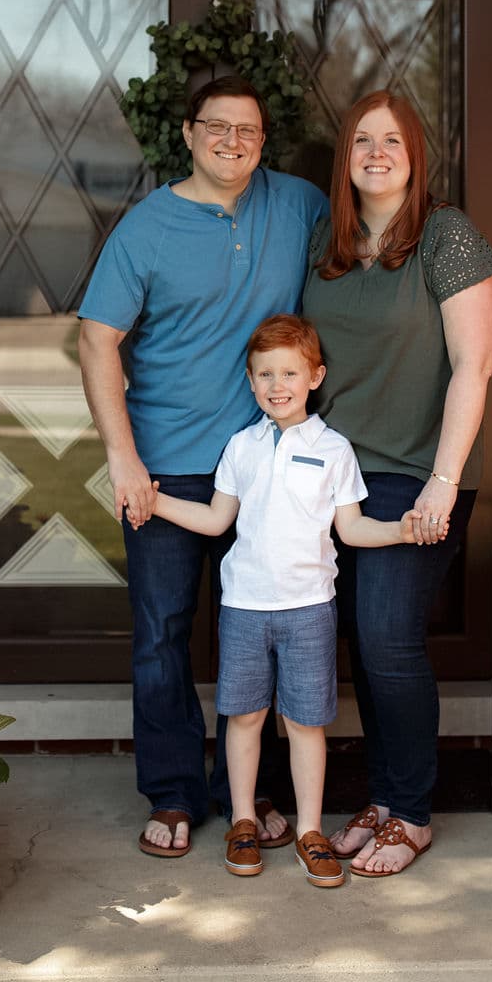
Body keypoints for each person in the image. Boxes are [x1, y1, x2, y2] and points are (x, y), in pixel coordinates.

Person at [77, 76, 328, 858]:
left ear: (264, 139)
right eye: (215, 127)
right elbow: (96, 340)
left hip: (268, 465)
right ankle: (178, 792)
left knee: (264, 628)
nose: (231, 141)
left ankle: (250, 797)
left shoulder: (298, 205)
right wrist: (123, 460)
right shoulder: (146, 229)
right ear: (187, 134)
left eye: (247, 130)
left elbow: (365, 254)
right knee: (163, 632)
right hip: (168, 468)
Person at [138, 314, 420, 886]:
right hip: (243, 607)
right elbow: (217, 520)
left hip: (310, 608)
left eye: (289, 372)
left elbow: (353, 530)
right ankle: (243, 822)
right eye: (264, 374)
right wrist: (154, 499)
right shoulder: (240, 446)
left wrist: (403, 530)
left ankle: (310, 830)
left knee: (306, 722)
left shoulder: (335, 449)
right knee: (244, 717)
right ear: (249, 381)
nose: (276, 384)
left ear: (315, 376)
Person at [302, 90, 492, 877]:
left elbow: (474, 365)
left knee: (387, 636)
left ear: (416, 154)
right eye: (361, 141)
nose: (376, 154)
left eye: (392, 141)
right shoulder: (330, 238)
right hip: (335, 475)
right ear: (344, 157)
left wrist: (443, 483)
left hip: (417, 473)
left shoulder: (445, 235)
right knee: (361, 640)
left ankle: (413, 811)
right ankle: (384, 800)